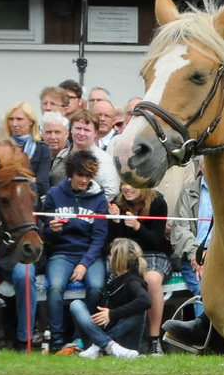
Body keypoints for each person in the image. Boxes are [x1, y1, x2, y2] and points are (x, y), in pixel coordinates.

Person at [40, 150, 109, 353]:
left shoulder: (99, 198)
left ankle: (82, 337)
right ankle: (58, 340)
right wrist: (51, 230)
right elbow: (45, 234)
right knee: (54, 287)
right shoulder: (54, 195)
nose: (84, 180)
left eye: (89, 176)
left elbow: (99, 238)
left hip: (91, 254)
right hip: (61, 252)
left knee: (97, 286)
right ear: (71, 173)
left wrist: (84, 264)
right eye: (81, 175)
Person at [108, 180, 170, 355]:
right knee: (117, 276)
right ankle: (115, 338)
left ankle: (154, 340)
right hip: (126, 253)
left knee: (152, 280)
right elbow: (112, 243)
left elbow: (157, 241)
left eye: (131, 184)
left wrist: (137, 227)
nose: (126, 188)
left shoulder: (158, 202)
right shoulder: (117, 203)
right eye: (123, 184)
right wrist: (114, 221)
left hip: (153, 253)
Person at [71, 238, 148, 359]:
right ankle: (107, 345)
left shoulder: (132, 281)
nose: (109, 258)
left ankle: (102, 346)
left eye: (111, 255)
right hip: (99, 337)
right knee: (76, 305)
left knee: (140, 311)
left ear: (120, 259)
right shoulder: (113, 278)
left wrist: (112, 314)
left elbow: (145, 301)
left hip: (125, 345)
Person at [3, 102, 53, 186]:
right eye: (11, 119)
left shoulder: (42, 149)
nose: (14, 124)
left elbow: (42, 184)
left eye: (19, 119)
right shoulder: (2, 147)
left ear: (31, 121)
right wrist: (31, 178)